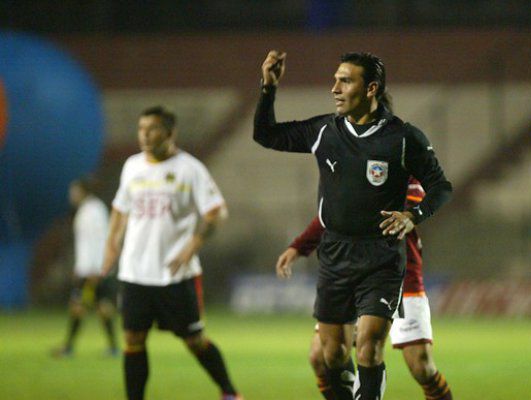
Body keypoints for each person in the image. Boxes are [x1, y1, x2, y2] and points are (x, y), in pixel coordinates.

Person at [254, 50, 452, 400]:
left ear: (371, 88)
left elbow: (441, 186)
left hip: (382, 257)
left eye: (345, 80)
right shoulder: (324, 132)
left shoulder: (404, 138)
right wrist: (268, 88)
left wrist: (412, 216)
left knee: (370, 349)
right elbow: (266, 135)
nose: (335, 88)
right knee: (330, 355)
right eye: (335, 80)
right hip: (335, 255)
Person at [101, 106, 242, 400]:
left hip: (175, 275)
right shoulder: (132, 166)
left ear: (169, 132)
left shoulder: (190, 169)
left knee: (194, 340)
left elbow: (216, 212)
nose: (144, 135)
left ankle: (229, 392)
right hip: (135, 272)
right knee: (133, 340)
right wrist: (111, 243)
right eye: (141, 129)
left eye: (151, 129)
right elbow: (120, 208)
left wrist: (191, 246)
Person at [276, 178, 453, 400]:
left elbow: (413, 204)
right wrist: (299, 247)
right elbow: (330, 215)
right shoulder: (352, 165)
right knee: (319, 357)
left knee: (422, 366)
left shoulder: (405, 168)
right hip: (356, 275)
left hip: (403, 278)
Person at [52, 178, 118, 357]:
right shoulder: (88, 210)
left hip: (92, 271)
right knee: (100, 305)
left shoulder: (92, 211)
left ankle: (69, 347)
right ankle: (112, 347)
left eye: (74, 191)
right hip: (91, 269)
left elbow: (97, 241)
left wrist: (91, 269)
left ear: (83, 191)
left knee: (79, 305)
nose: (71, 195)